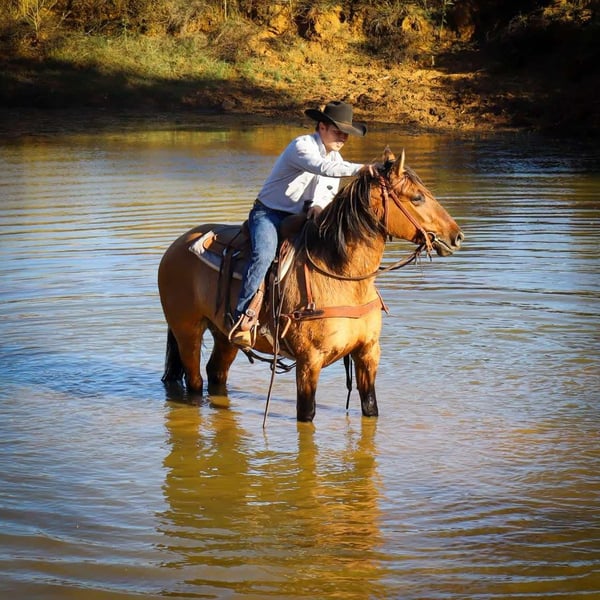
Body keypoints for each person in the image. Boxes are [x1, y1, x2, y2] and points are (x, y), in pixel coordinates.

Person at [229, 100, 371, 348]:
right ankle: (243, 318)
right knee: (264, 254)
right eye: (338, 131)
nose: (343, 138)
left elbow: (326, 191)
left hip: (300, 217)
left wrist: (317, 206)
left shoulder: (336, 158)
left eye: (346, 134)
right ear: (322, 127)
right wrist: (363, 169)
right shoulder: (302, 146)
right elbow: (321, 167)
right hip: (268, 214)